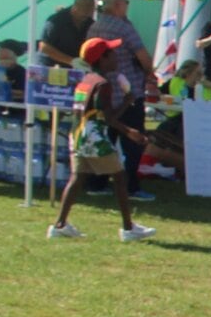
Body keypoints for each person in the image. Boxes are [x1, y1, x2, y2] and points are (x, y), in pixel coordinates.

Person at [45, 42, 156, 243]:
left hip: (77, 133)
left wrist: (127, 100)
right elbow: (109, 118)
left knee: (77, 178)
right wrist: (130, 131)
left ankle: (59, 225)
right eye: (112, 53)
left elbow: (99, 114)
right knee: (120, 177)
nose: (116, 57)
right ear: (102, 59)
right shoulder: (103, 84)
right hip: (94, 135)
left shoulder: (86, 81)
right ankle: (128, 228)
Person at [89, 0, 157, 194]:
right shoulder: (124, 28)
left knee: (104, 139)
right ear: (118, 4)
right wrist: (150, 72)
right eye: (126, 2)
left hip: (102, 91)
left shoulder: (94, 27)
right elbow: (143, 57)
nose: (127, 6)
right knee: (133, 143)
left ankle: (97, 183)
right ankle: (131, 186)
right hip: (127, 92)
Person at [36, 0, 95, 69]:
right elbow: (44, 47)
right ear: (75, 8)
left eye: (89, 14)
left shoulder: (89, 23)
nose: (85, 18)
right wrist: (71, 61)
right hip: (50, 68)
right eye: (83, 15)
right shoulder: (57, 21)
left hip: (73, 69)